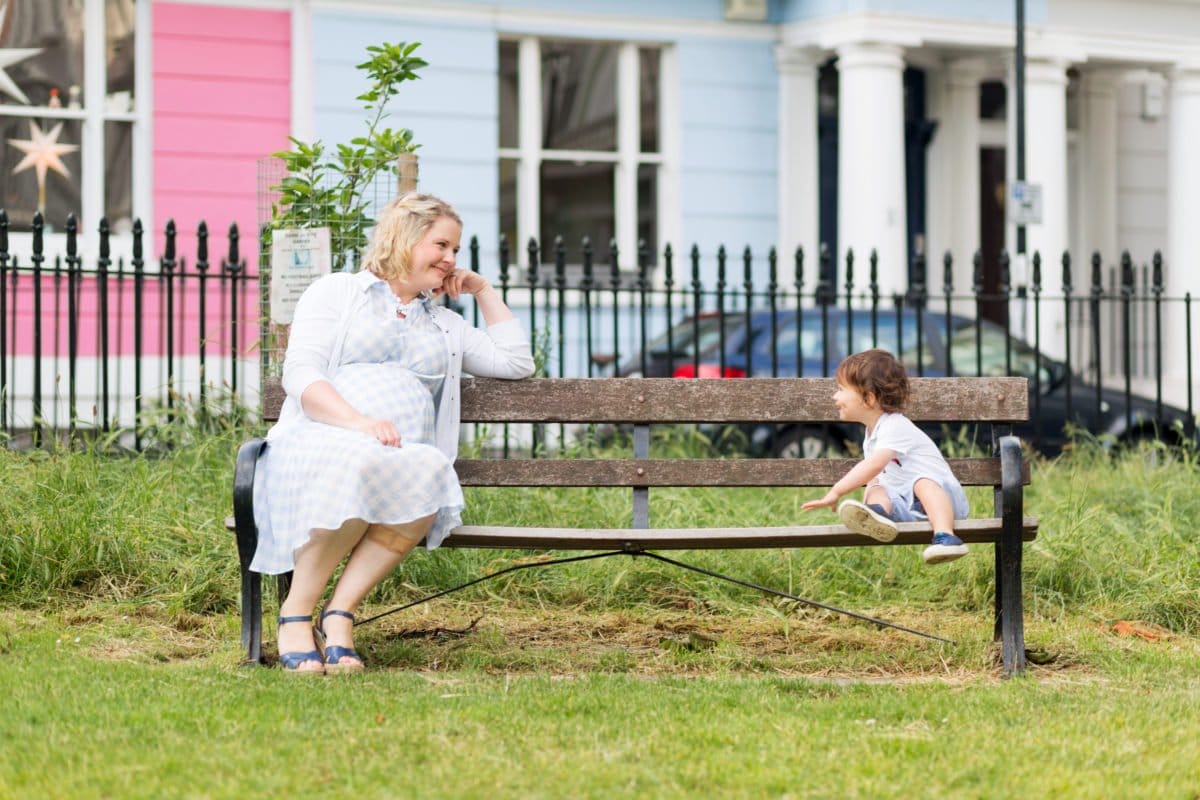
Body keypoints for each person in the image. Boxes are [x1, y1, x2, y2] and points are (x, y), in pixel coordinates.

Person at [251, 193, 535, 673]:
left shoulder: (446, 324)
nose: (450, 259)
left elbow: (516, 363)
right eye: (441, 244)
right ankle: (295, 615)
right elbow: (300, 373)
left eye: (456, 251)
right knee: (360, 460)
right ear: (404, 238)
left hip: (396, 453)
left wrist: (483, 290)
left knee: (429, 469)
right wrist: (357, 422)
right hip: (324, 436)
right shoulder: (338, 293)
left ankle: (339, 615)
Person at [801, 348, 970, 565]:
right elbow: (874, 476)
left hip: (944, 502)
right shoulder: (871, 434)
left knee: (922, 482)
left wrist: (836, 491)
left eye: (841, 389)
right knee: (876, 486)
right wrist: (870, 497)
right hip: (909, 506)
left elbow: (873, 465)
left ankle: (946, 536)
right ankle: (878, 514)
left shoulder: (895, 425)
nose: (835, 396)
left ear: (869, 398)